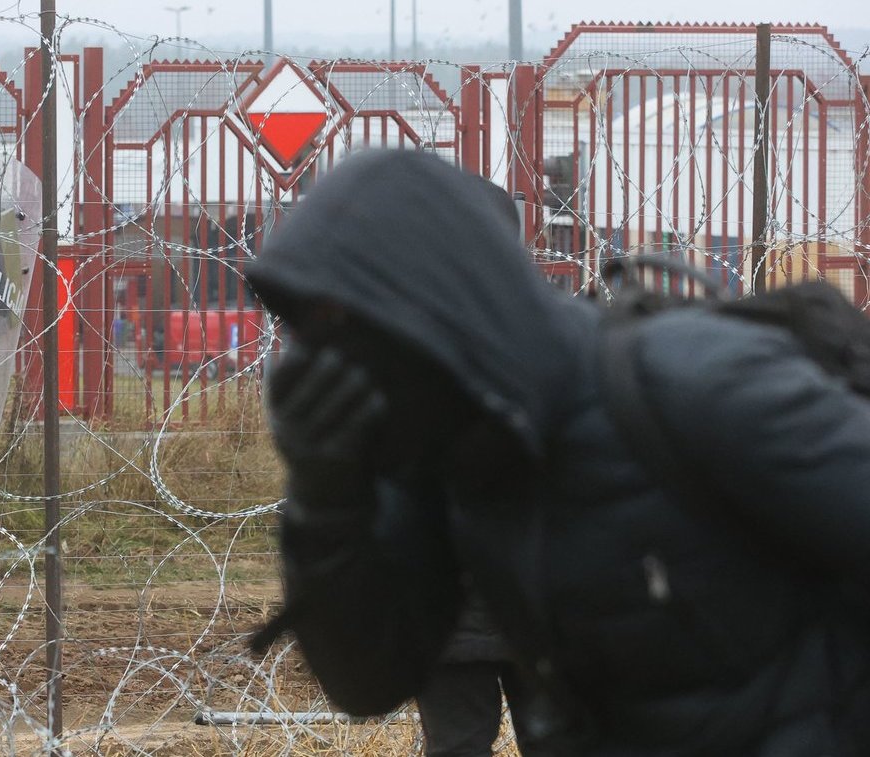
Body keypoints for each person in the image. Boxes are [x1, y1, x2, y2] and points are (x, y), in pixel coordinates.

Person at [246, 149, 870, 755]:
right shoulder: (442, 451)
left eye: (339, 320)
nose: (320, 359)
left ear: (432, 302)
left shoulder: (690, 384)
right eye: (304, 330)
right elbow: (369, 680)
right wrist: (325, 499)